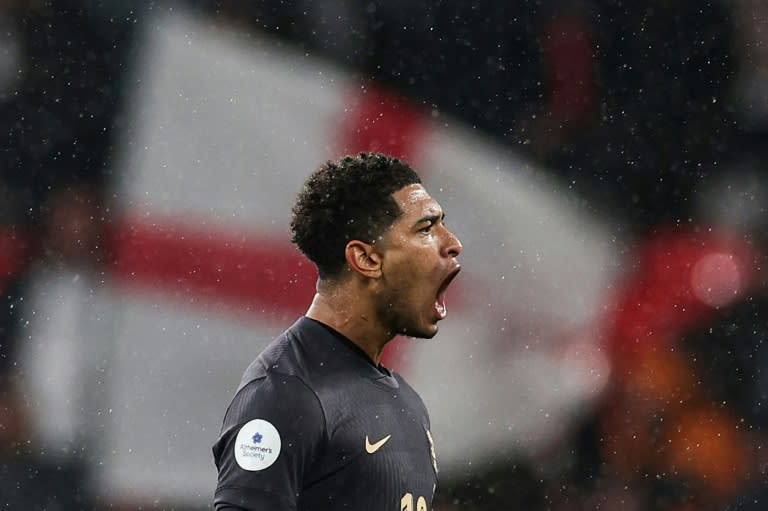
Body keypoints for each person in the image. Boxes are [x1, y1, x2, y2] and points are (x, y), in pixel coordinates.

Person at [212, 152, 463, 510]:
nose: (452, 242)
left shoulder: (407, 403)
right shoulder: (286, 394)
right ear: (366, 259)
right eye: (426, 228)